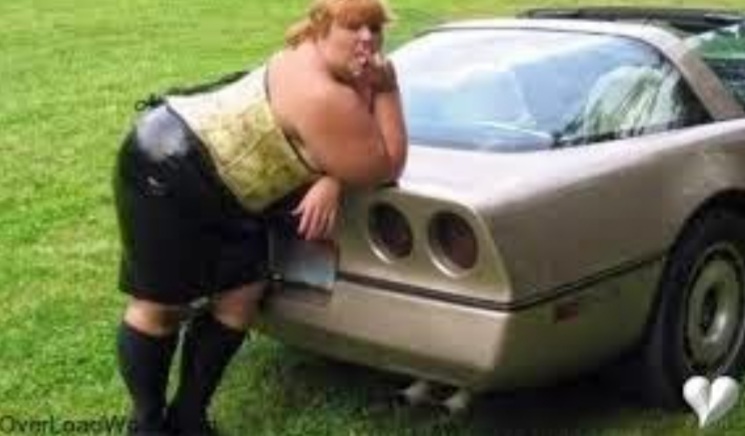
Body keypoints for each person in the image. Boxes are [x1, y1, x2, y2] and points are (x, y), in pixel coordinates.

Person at [113, 0, 407, 434]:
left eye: (375, 27)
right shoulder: (324, 93)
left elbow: (335, 142)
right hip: (167, 168)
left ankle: (189, 417)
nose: (367, 38)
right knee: (159, 305)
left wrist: (332, 176)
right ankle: (147, 423)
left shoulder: (314, 56)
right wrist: (388, 87)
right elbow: (385, 166)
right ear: (321, 25)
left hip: (230, 189)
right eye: (352, 26)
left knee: (240, 296)